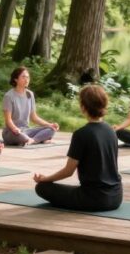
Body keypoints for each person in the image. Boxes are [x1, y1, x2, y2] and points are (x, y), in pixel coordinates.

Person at [34, 84, 122, 212]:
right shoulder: (111, 131)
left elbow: (68, 171)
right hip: (116, 196)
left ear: (83, 107)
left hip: (94, 199)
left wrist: (45, 179)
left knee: (42, 188)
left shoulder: (81, 134)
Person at [2, 67, 59, 146]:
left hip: (26, 130)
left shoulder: (30, 94)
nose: (26, 80)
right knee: (22, 136)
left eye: (28, 77)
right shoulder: (9, 96)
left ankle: (32, 140)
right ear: (16, 79)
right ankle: (38, 139)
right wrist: (15, 129)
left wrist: (50, 125)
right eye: (23, 77)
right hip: (12, 132)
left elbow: (34, 117)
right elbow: (8, 120)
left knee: (51, 129)